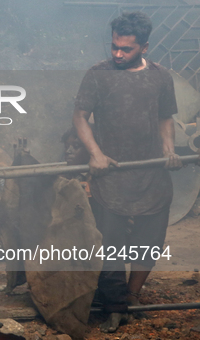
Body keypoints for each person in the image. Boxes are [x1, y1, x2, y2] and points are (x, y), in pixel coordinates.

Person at [73, 11, 182, 333]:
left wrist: (168, 150)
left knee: (150, 241)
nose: (117, 54)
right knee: (112, 244)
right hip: (112, 173)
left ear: (144, 47)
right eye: (114, 47)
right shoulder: (97, 74)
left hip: (151, 173)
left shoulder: (162, 77)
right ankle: (115, 305)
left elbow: (165, 118)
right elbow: (80, 117)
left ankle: (132, 297)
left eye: (126, 49)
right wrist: (96, 154)